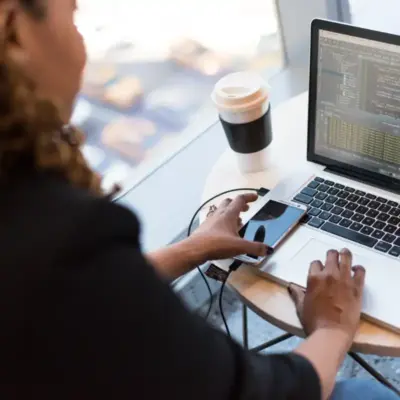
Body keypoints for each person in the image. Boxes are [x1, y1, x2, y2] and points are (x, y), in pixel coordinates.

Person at [0, 1, 398, 399]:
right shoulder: (65, 235)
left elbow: (83, 294)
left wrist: (194, 248)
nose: (81, 42)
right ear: (17, 34)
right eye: (72, 16)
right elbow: (261, 392)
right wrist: (331, 328)